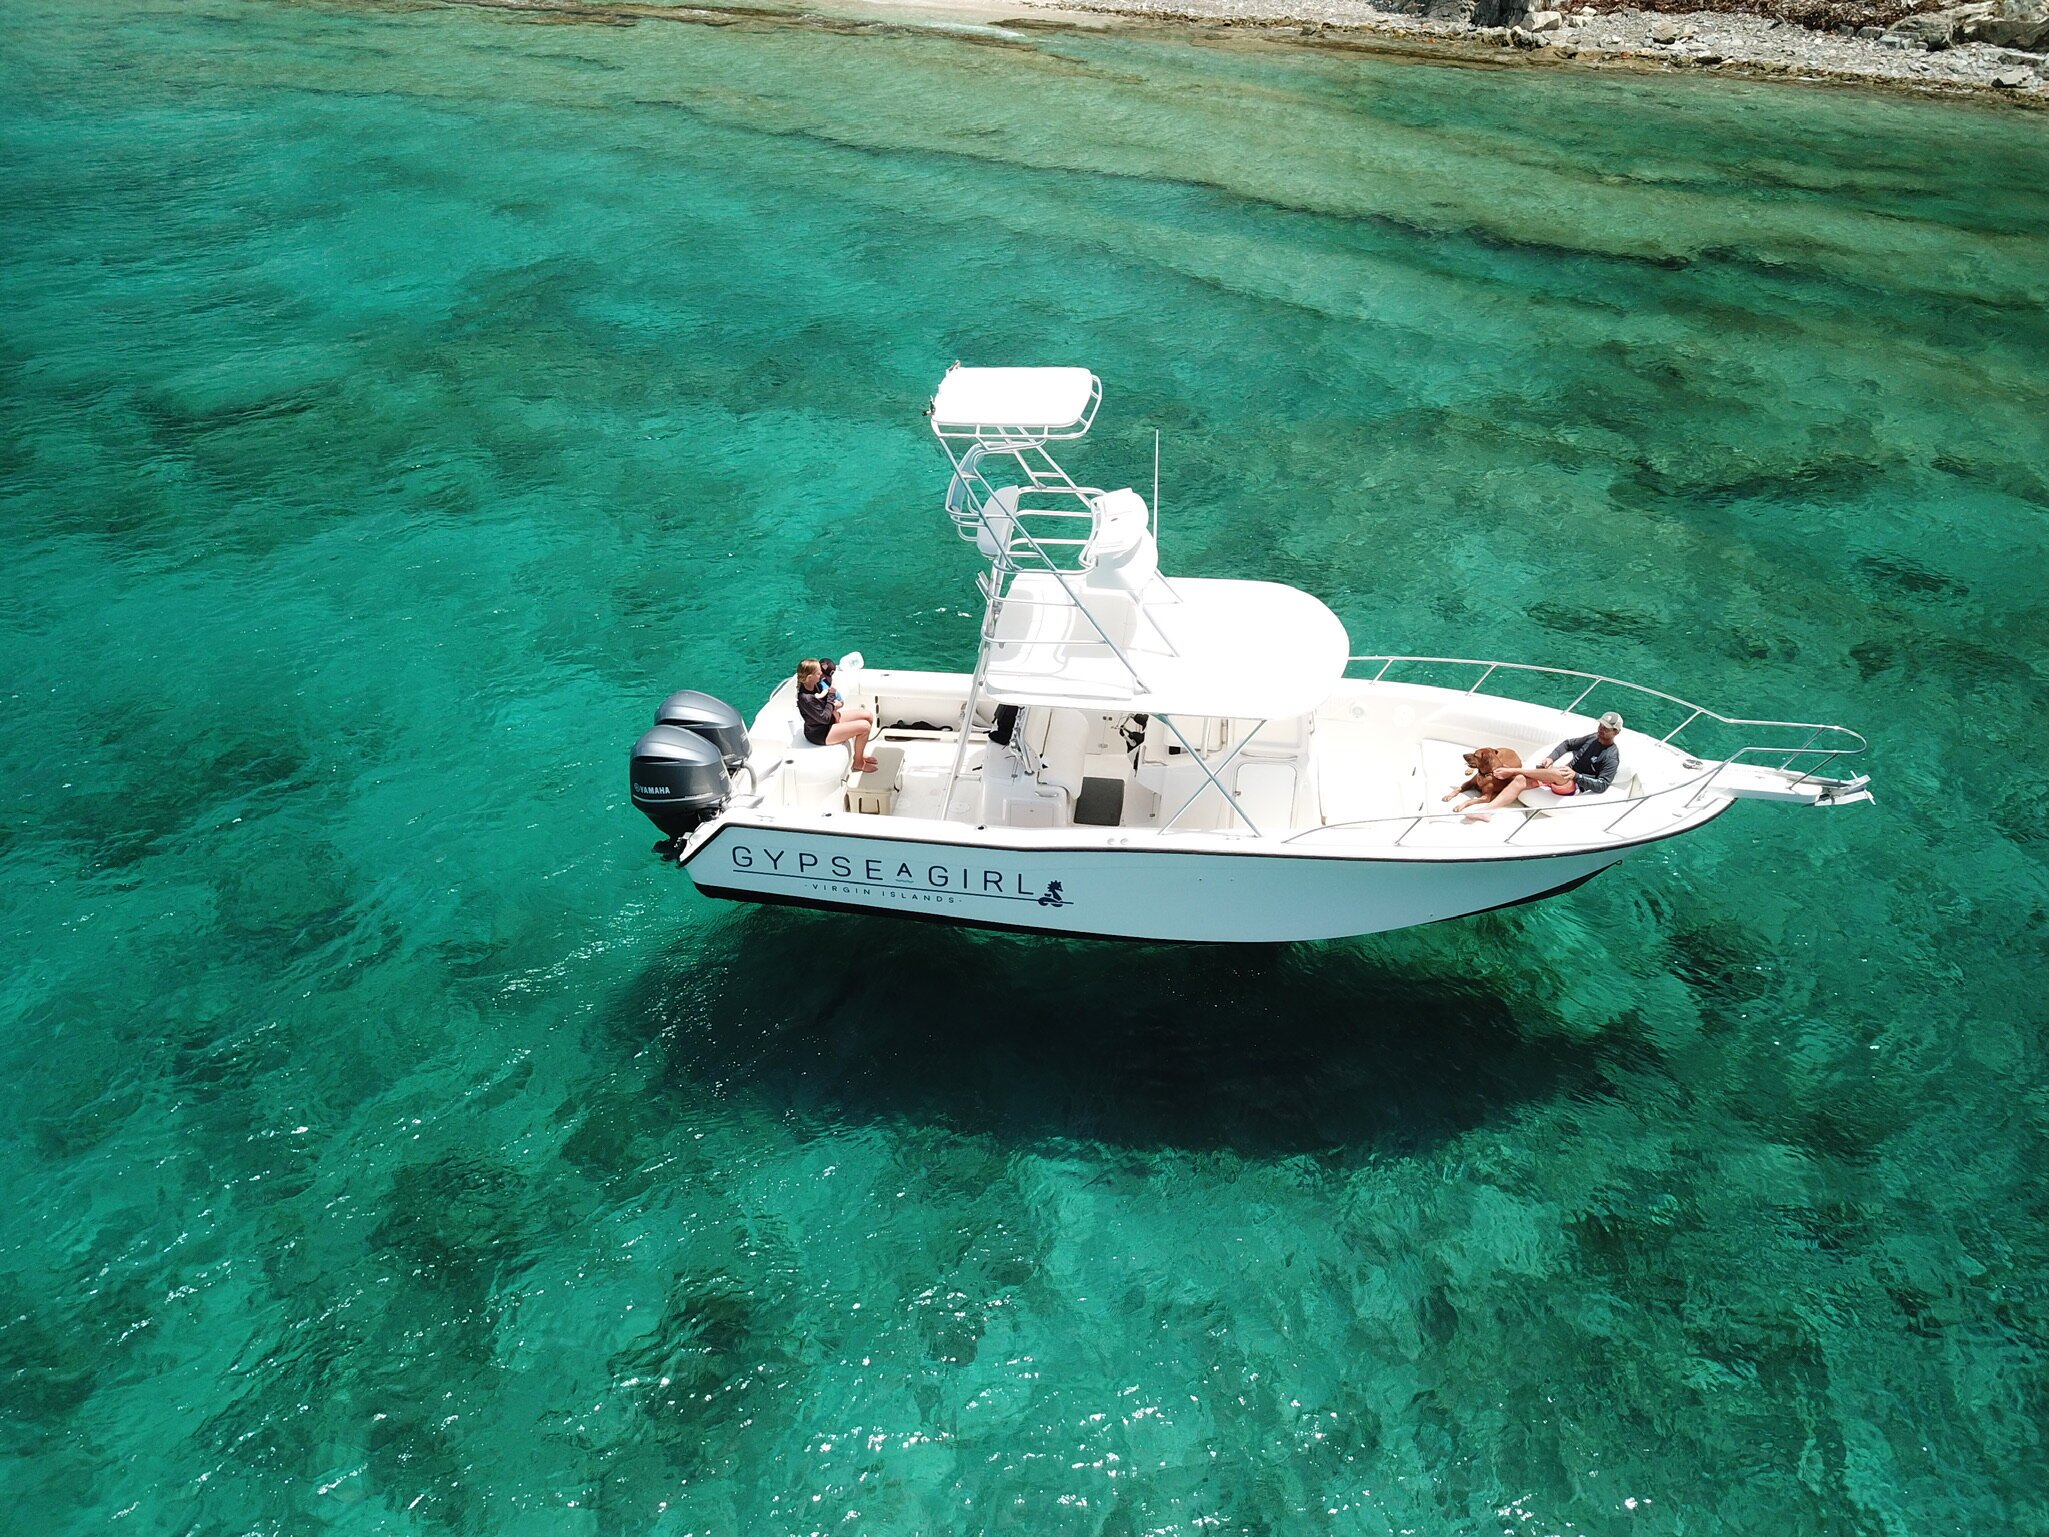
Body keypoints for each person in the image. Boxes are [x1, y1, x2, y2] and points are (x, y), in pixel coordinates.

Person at [1463, 710, 1624, 822]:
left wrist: (1576, 776)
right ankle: (1487, 812)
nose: (1601, 730)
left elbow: (1603, 785)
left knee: (1560, 773)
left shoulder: (1611, 756)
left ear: (1616, 732)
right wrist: (1551, 757)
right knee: (1520, 780)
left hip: (1574, 784)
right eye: (1601, 726)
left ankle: (1512, 770)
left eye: (1606, 729)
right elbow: (1567, 744)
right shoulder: (1592, 738)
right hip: (1560, 775)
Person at [795, 658, 877, 773]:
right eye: (818, 673)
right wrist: (831, 698)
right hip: (820, 733)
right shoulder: (806, 699)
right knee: (865, 727)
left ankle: (860, 754)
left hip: (829, 721)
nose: (821, 675)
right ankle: (858, 763)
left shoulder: (814, 684)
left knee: (867, 716)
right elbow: (824, 718)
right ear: (809, 677)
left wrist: (836, 702)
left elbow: (827, 701)